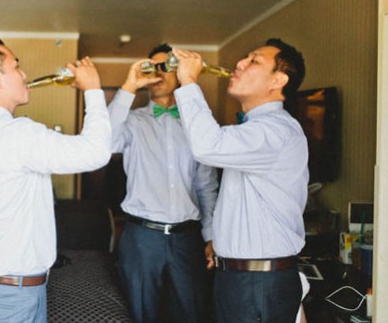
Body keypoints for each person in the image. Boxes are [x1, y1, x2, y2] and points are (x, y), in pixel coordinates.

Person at [0, 35, 111, 323]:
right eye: (16, 66)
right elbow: (95, 153)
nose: (24, 75)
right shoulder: (16, 134)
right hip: (10, 297)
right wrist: (93, 91)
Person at [172, 38, 307, 323]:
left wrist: (187, 81)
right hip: (239, 278)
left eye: (254, 61)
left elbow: (207, 146)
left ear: (278, 80)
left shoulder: (276, 130)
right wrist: (220, 241)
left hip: (258, 284)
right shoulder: (254, 128)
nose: (239, 64)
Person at [108, 43, 219, 323]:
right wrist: (128, 88)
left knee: (191, 313)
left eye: (165, 66)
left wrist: (211, 235)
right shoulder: (131, 122)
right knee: (139, 314)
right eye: (152, 67)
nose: (157, 73)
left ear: (180, 73)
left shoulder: (198, 126)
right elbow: (103, 142)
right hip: (141, 237)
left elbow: (206, 185)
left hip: (188, 239)